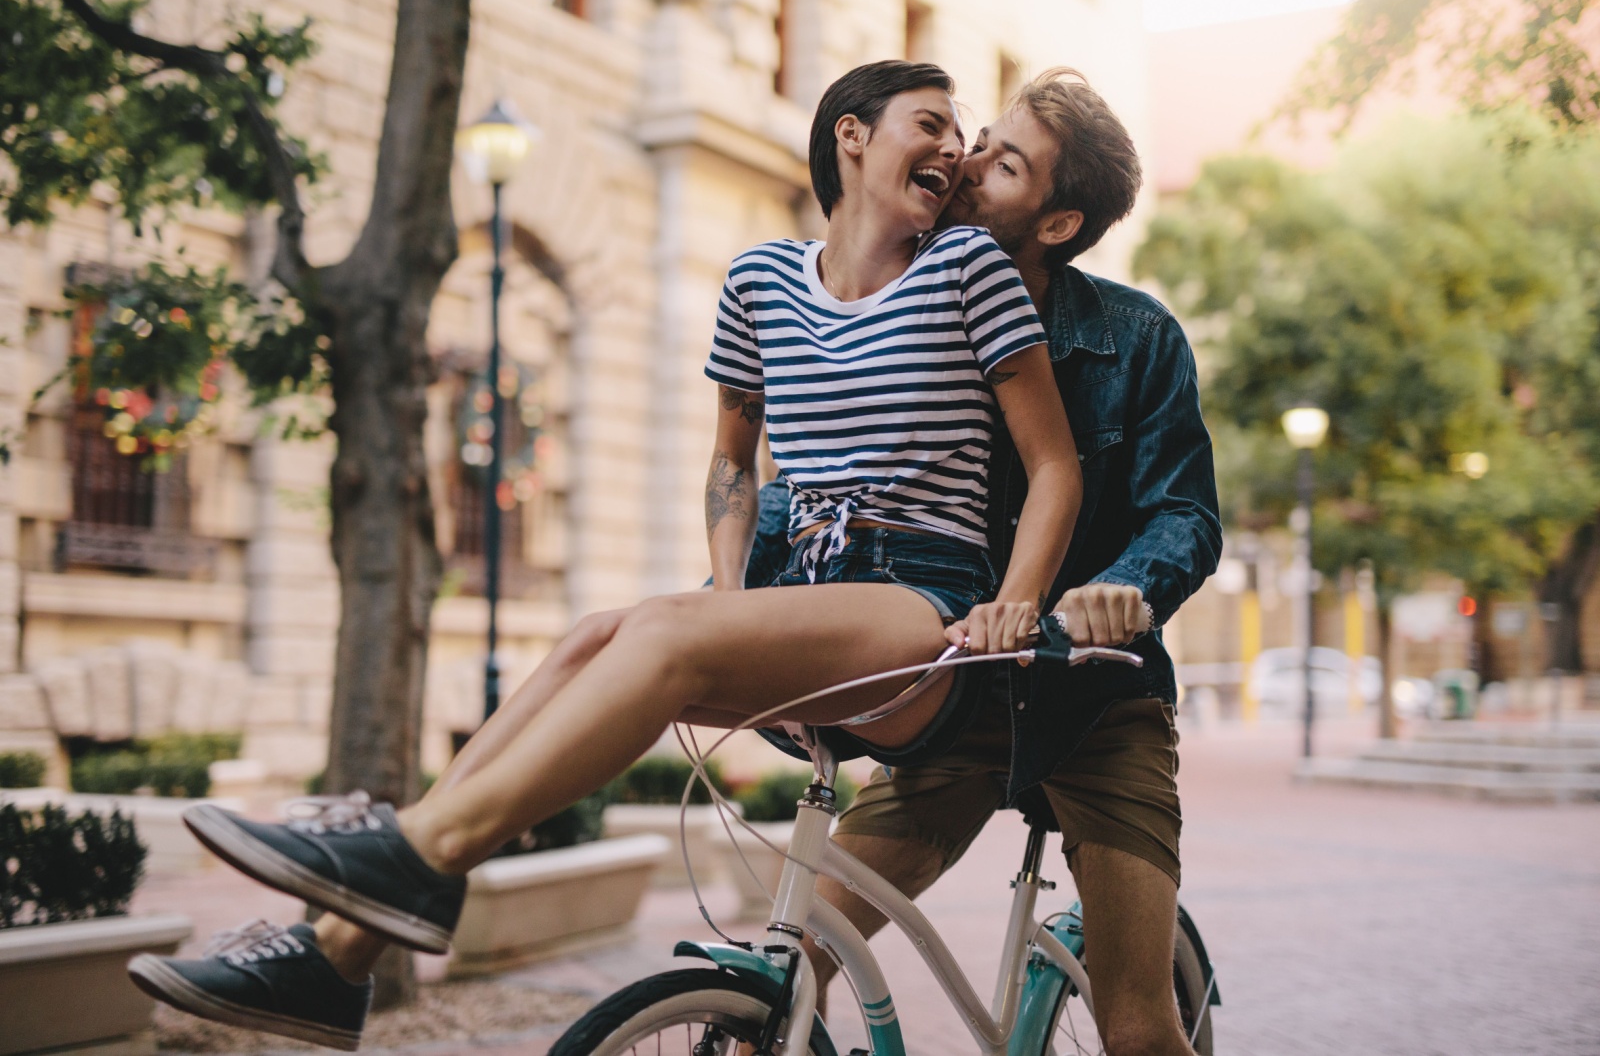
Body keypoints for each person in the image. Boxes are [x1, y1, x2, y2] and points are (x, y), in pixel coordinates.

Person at [127, 60, 1084, 1051]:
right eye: (928, 122)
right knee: (593, 638)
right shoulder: (760, 280)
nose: (952, 149)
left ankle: (411, 850)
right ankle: (333, 961)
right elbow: (730, 462)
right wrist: (730, 596)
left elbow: (1053, 465)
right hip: (804, 597)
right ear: (851, 134)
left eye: (961, 134)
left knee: (659, 632)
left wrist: (1014, 603)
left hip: (918, 606)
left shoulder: (968, 271)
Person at [805, 69, 1222, 1056]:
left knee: (1133, 1022)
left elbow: (1186, 517)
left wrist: (1123, 590)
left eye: (1004, 160)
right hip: (954, 697)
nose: (966, 160)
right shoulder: (903, 312)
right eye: (979, 135)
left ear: (1056, 220)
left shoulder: (1136, 338)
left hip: (1094, 698)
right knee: (802, 939)